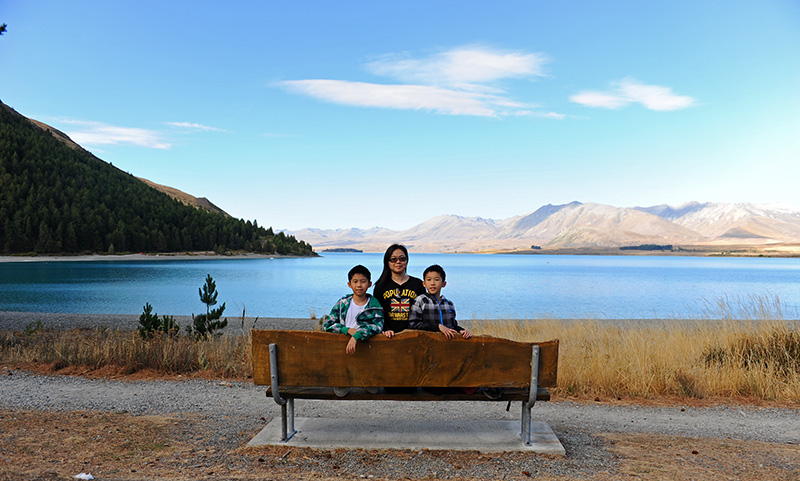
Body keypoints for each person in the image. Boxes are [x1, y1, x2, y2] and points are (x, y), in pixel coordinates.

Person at [323, 265, 384, 354]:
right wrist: (347, 330)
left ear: (369, 284)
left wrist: (357, 334)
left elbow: (378, 327)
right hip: (343, 347)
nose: (359, 285)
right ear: (349, 284)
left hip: (367, 349)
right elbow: (328, 325)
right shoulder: (343, 303)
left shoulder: (374, 305)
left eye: (363, 281)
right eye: (355, 282)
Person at [373, 244, 425, 338]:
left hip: (413, 335)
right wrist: (385, 329)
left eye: (402, 259)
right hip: (389, 335)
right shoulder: (380, 286)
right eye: (393, 259)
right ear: (387, 262)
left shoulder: (418, 284)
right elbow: (378, 313)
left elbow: (423, 311)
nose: (398, 262)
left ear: (407, 261)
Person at [408, 264, 472, 339]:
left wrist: (461, 330)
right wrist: (437, 327)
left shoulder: (449, 304)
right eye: (429, 280)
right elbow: (413, 325)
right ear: (424, 284)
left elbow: (453, 326)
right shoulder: (421, 301)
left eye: (437, 279)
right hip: (426, 344)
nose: (432, 283)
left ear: (443, 284)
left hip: (447, 345)